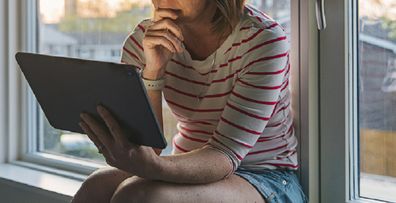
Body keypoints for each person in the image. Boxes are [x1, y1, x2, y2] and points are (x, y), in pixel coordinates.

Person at [71, 0, 308, 202]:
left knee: (139, 195)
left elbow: (224, 155)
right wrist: (153, 73)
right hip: (187, 162)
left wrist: (153, 167)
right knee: (95, 186)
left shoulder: (263, 40)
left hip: (265, 177)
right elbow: (148, 146)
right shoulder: (145, 40)